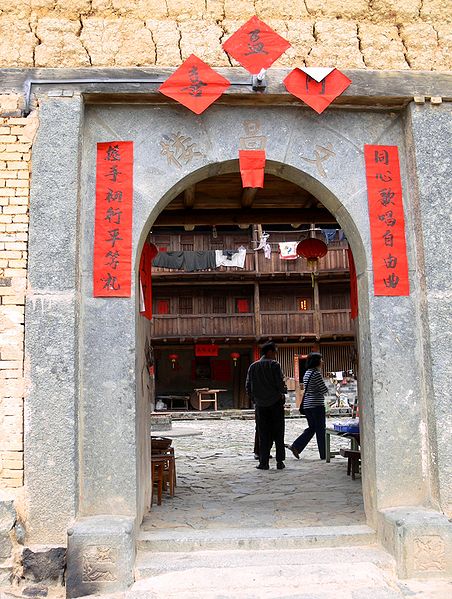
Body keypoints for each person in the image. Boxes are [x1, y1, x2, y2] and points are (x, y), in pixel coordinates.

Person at [246, 341, 287, 470]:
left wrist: (255, 399)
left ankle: (264, 462)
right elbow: (279, 384)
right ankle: (280, 461)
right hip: (275, 403)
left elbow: (248, 387)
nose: (275, 355)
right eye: (275, 352)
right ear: (269, 352)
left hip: (260, 405)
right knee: (278, 433)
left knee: (263, 434)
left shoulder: (253, 366)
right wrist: (283, 391)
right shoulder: (274, 365)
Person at [286, 352, 328, 460]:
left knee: (312, 428)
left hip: (307, 405)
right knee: (320, 430)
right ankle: (323, 454)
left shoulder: (307, 373)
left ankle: (296, 446)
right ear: (316, 361)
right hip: (316, 405)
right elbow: (324, 390)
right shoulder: (316, 374)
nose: (322, 361)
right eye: (321, 359)